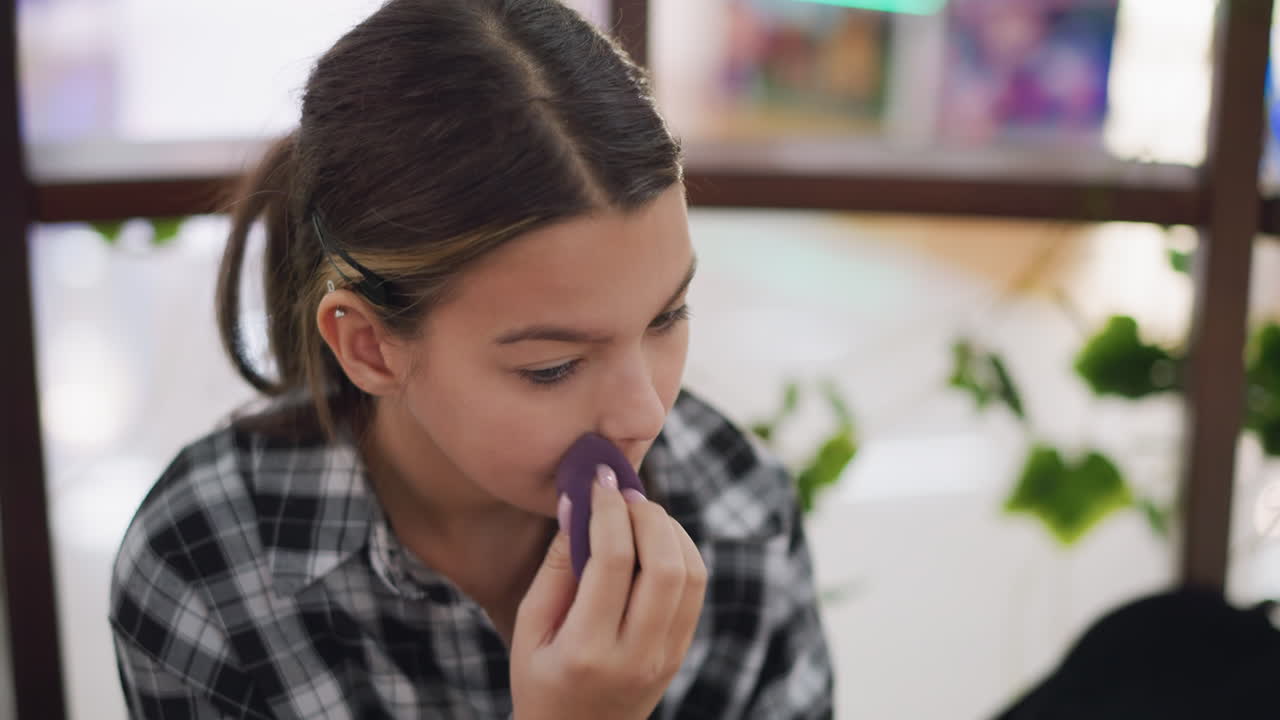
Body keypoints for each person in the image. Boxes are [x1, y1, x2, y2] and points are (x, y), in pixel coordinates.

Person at [108, 1, 834, 717]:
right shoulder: (206, 565)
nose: (645, 413)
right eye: (552, 366)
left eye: (667, 317)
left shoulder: (743, 519)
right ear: (369, 346)